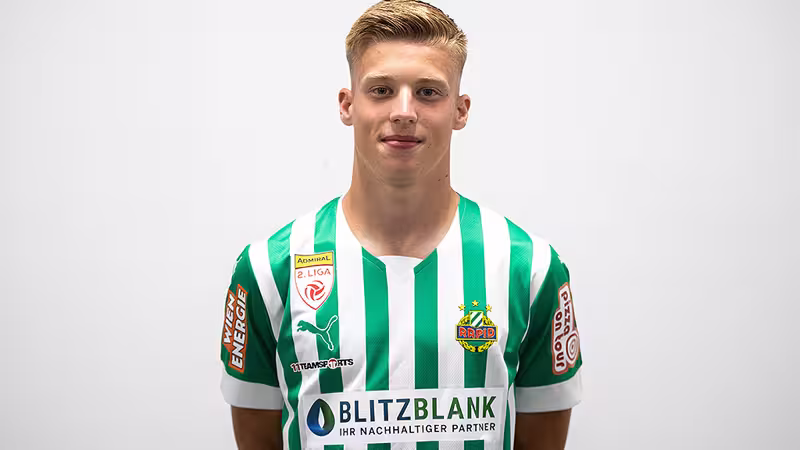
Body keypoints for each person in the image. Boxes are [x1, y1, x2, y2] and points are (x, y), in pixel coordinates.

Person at [219, 1, 583, 448]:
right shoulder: (268, 269)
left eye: (428, 92)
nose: (405, 111)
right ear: (347, 104)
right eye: (381, 90)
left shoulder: (531, 269)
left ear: (461, 110)